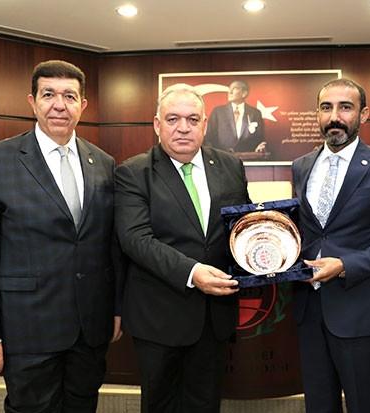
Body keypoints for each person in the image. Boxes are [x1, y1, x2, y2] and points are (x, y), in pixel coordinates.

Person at [0, 60, 123, 412]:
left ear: (83, 105)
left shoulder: (104, 163)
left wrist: (117, 309)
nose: (59, 105)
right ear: (32, 102)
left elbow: (111, 245)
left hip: (89, 329)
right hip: (27, 328)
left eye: (69, 96)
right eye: (48, 95)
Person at [114, 83, 250, 412]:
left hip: (214, 318)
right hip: (159, 317)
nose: (183, 128)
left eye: (192, 119)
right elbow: (136, 239)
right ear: (157, 124)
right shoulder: (133, 172)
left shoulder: (230, 166)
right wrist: (192, 272)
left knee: (206, 404)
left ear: (205, 124)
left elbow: (242, 227)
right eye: (173, 119)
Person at [291, 78, 370, 413]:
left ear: (363, 114)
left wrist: (345, 265)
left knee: (361, 404)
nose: (335, 116)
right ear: (317, 114)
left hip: (358, 306)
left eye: (345, 107)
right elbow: (305, 232)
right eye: (326, 107)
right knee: (318, 404)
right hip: (308, 308)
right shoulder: (301, 166)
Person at [204, 79, 266, 154]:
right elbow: (209, 138)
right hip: (222, 158)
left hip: (247, 158)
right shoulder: (218, 112)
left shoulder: (255, 113)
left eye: (235, 88)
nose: (230, 92)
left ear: (244, 93)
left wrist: (260, 147)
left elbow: (259, 139)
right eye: (230, 88)